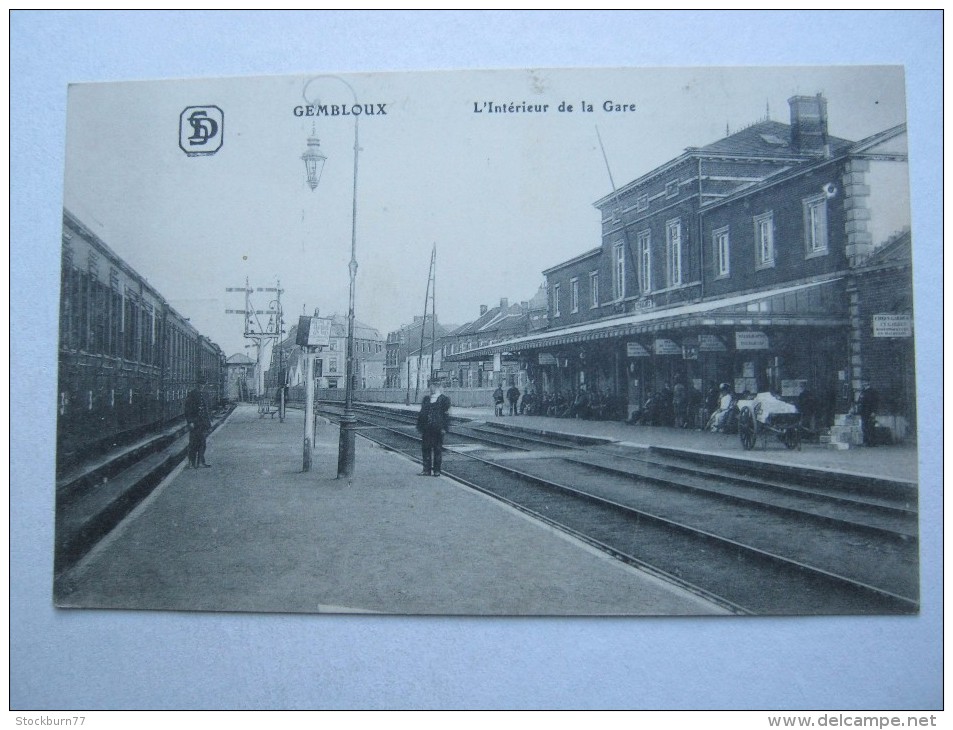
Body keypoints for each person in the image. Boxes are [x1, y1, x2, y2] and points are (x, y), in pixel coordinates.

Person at [416, 379, 451, 476]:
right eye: (431, 386)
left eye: (434, 386)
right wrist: (420, 426)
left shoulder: (444, 399)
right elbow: (421, 413)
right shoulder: (426, 399)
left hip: (438, 428)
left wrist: (444, 427)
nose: (431, 388)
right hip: (426, 428)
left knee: (437, 449)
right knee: (426, 448)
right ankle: (426, 470)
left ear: (438, 387)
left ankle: (437, 470)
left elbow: (446, 415)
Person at [184, 383, 212, 468]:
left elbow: (205, 410)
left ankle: (200, 462)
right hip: (195, 423)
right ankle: (191, 463)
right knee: (193, 443)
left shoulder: (203, 394)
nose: (202, 386)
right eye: (200, 384)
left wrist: (208, 424)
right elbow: (187, 410)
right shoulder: (192, 394)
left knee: (202, 443)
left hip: (202, 423)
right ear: (197, 384)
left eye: (203, 384)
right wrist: (190, 422)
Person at [856, 380, 880, 447]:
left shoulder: (872, 392)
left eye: (864, 382)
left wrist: (874, 411)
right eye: (862, 382)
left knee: (871, 427)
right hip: (863, 412)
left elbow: (875, 402)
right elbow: (860, 401)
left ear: (867, 383)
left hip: (870, 412)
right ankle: (866, 442)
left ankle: (872, 442)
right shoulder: (863, 392)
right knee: (864, 427)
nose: (863, 384)